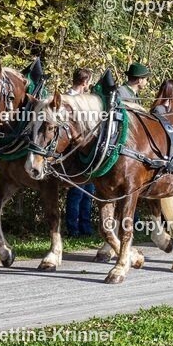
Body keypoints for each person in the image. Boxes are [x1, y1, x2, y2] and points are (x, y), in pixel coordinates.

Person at [65, 68, 95, 237]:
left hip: (86, 150)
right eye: (89, 82)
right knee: (76, 192)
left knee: (89, 191)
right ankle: (73, 228)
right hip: (74, 152)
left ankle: (86, 227)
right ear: (85, 82)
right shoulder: (68, 99)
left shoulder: (84, 99)